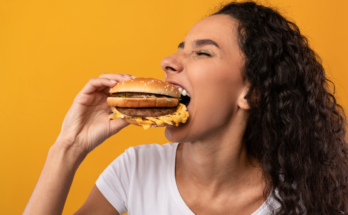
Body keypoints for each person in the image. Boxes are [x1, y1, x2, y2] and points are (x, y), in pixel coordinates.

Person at [23, 1, 348, 215]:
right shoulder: (136, 170)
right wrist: (68, 146)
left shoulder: (302, 198)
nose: (168, 62)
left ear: (251, 93)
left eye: (202, 53)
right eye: (180, 50)